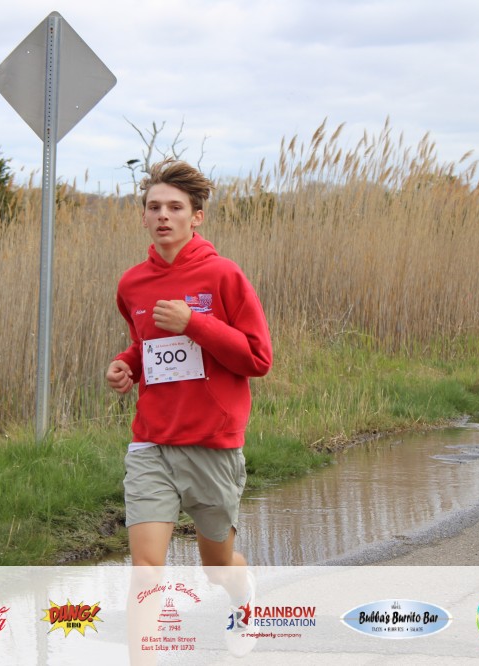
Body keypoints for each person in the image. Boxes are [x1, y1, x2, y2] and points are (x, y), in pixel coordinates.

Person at [106, 159, 272, 657]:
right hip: (152, 442)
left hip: (212, 444)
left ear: (196, 216)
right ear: (143, 216)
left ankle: (243, 597)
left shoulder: (223, 275)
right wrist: (126, 365)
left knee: (217, 568)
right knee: (146, 568)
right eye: (154, 207)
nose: (163, 215)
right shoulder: (132, 284)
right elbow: (145, 345)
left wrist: (194, 324)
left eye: (175, 207)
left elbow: (258, 359)